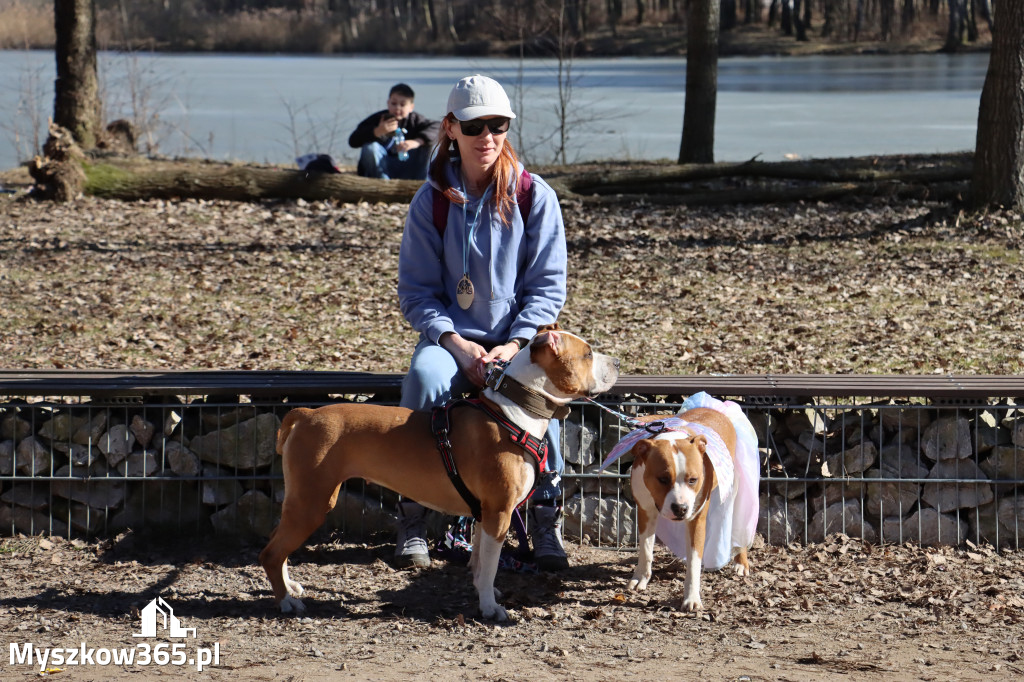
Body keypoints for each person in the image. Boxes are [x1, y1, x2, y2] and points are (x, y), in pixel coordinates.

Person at [395, 74, 570, 572]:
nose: (487, 136)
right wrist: (456, 345)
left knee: (542, 388)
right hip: (452, 339)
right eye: (474, 126)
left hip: (516, 341)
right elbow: (416, 294)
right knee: (425, 378)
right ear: (450, 128)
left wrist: (514, 346)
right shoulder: (430, 201)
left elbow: (547, 288)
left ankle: (543, 514)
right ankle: (412, 515)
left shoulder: (535, 197)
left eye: (499, 124)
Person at [348, 83, 438, 180]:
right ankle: (382, 183)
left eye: (402, 104)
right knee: (370, 147)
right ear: (388, 103)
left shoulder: (415, 120)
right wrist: (377, 131)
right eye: (394, 103)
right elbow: (353, 141)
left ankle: (421, 184)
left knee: (429, 145)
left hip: (409, 168)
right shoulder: (378, 119)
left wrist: (416, 142)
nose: (397, 108)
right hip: (382, 167)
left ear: (411, 107)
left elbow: (438, 127)